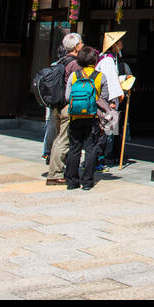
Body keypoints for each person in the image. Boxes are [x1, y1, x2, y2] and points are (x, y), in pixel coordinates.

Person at [63, 46, 104, 191]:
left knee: (75, 148)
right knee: (91, 149)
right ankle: (87, 182)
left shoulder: (74, 76)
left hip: (75, 117)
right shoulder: (100, 76)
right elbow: (104, 98)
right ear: (94, 60)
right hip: (92, 116)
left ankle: (72, 182)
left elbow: (68, 97)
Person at [45, 32, 83, 185]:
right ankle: (55, 174)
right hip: (67, 105)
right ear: (76, 46)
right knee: (63, 139)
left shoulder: (60, 61)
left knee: (58, 138)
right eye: (81, 42)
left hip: (56, 104)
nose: (82, 45)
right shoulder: (75, 64)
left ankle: (56, 168)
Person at [95, 31, 126, 170]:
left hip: (105, 100)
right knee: (106, 131)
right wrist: (114, 98)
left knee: (106, 131)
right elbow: (110, 82)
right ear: (114, 45)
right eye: (119, 42)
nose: (122, 44)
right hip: (107, 101)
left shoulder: (110, 59)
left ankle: (100, 158)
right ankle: (99, 159)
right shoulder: (107, 60)